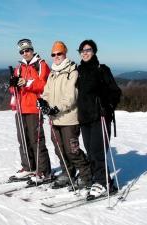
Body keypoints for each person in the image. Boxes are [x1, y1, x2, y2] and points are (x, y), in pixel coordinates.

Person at [38, 41, 91, 189]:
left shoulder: (72, 71)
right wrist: (44, 103)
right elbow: (47, 92)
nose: (56, 56)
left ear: (65, 53)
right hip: (55, 119)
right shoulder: (53, 73)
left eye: (59, 53)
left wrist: (56, 108)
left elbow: (71, 97)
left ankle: (87, 175)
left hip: (69, 119)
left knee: (72, 150)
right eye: (53, 54)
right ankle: (68, 173)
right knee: (59, 150)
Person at [76, 40, 121, 199]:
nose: (85, 52)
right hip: (84, 117)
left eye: (88, 50)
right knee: (90, 151)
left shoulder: (102, 69)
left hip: (99, 116)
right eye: (82, 50)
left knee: (98, 150)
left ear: (94, 51)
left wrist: (107, 106)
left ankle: (103, 183)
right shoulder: (79, 70)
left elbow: (115, 92)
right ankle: (101, 180)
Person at [9, 38, 51, 182]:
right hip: (20, 108)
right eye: (22, 51)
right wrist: (13, 84)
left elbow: (44, 85)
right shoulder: (19, 68)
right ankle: (28, 167)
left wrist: (26, 83)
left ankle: (43, 171)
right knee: (23, 140)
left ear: (32, 50)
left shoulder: (41, 65)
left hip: (34, 108)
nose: (25, 53)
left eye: (27, 50)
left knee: (36, 141)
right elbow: (12, 89)